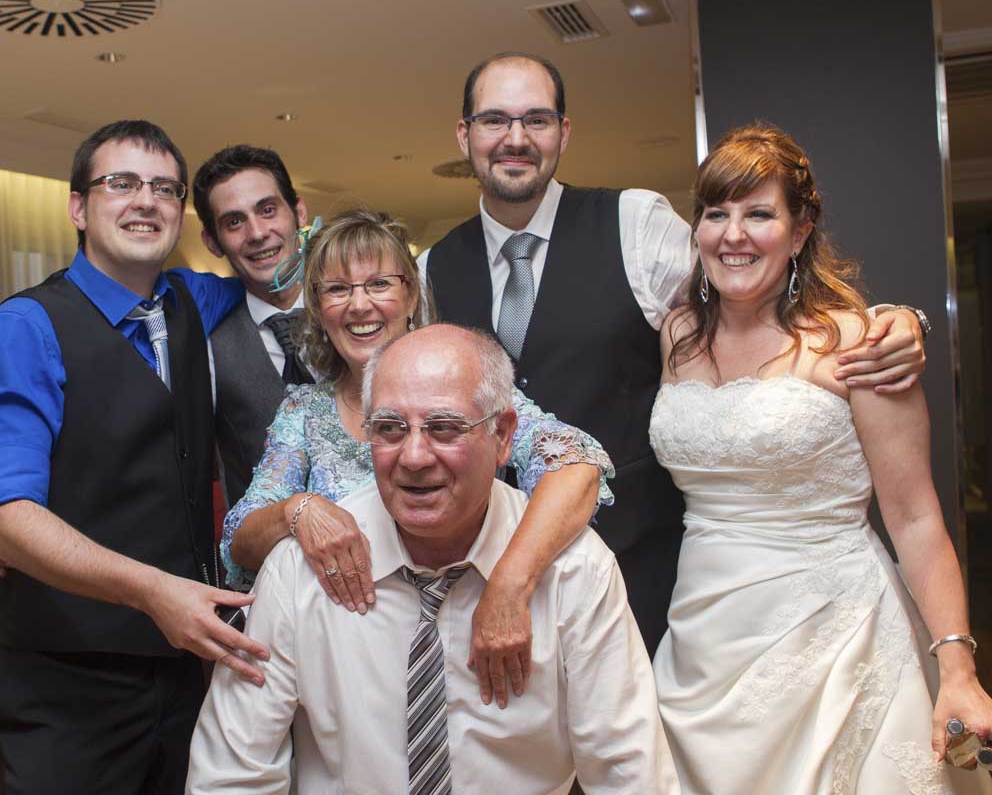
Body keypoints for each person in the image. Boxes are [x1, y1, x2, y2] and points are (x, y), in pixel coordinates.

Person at [420, 51, 930, 656]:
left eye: (536, 119)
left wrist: (896, 320)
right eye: (494, 120)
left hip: (642, 573)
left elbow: (747, 288)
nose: (515, 138)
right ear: (465, 134)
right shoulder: (434, 268)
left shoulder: (634, 222)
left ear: (563, 132)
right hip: (489, 577)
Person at [649, 123, 992, 794]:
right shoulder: (678, 334)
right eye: (715, 213)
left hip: (836, 636)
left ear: (800, 232)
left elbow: (916, 518)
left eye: (759, 214)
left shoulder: (857, 342)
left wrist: (958, 670)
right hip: (702, 636)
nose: (733, 235)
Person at [188, 324, 678, 794]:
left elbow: (629, 773)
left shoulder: (574, 573)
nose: (414, 457)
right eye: (390, 429)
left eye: (444, 428)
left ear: (503, 435)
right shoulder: (300, 574)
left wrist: (511, 582)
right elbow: (232, 775)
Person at [0, 120, 270, 795]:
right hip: (68, 685)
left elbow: (273, 264)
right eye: (121, 183)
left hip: (181, 670)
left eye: (165, 189)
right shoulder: (24, 329)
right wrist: (151, 591)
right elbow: (4, 513)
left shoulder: (192, 299)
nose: (146, 201)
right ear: (77, 208)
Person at [222, 208, 613, 707]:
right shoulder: (303, 412)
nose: (359, 305)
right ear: (318, 309)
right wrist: (297, 510)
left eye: (379, 284)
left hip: (475, 651)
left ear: (411, 295)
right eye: (337, 289)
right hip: (344, 671)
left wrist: (511, 584)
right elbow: (240, 540)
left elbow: (577, 466)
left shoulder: (469, 389)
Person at [191, 145, 316, 506]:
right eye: (234, 222)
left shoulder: (359, 311)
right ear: (212, 242)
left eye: (268, 210)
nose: (258, 233)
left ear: (299, 212)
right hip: (264, 539)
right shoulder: (207, 344)